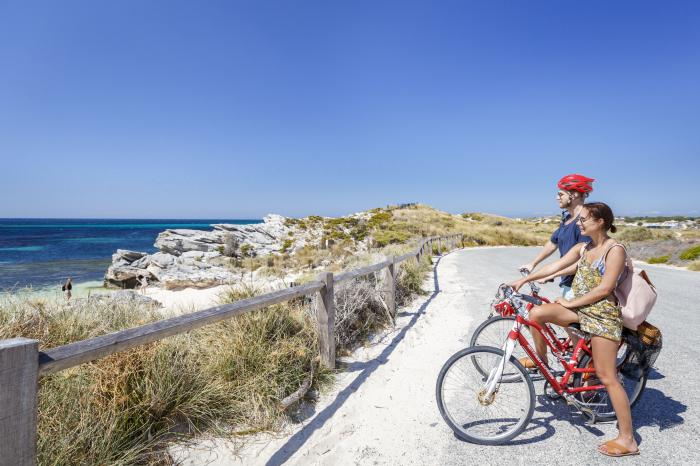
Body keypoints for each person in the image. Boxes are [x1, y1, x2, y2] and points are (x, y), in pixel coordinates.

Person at [509, 202, 638, 457]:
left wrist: (569, 302)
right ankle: (544, 361)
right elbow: (555, 268)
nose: (578, 224)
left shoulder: (615, 250)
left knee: (607, 376)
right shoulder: (583, 248)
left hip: (602, 315)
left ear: (600, 222)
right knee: (536, 313)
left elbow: (604, 289)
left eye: (584, 220)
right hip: (581, 310)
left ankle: (628, 439)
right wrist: (525, 279)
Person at [521, 173, 594, 300]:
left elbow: (584, 262)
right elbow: (553, 242)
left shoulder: (584, 221)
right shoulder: (567, 218)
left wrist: (552, 274)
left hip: (581, 286)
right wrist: (532, 264)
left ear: (574, 194)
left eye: (561, 194)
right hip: (568, 283)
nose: (557, 198)